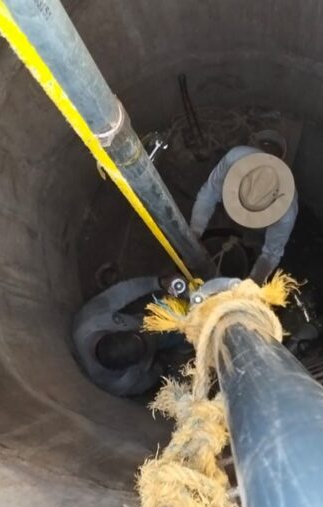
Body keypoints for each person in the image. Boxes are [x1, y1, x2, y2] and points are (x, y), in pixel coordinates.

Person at [189, 134, 298, 284]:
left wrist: (253, 282)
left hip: (263, 230)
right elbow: (210, 192)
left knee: (259, 240)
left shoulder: (286, 214)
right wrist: (195, 232)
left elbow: (271, 253)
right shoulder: (234, 157)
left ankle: (254, 237)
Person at [71, 276, 184, 397]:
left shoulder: (91, 318)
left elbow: (122, 292)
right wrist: (160, 367)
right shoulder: (117, 383)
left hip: (144, 320)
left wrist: (158, 283)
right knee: (180, 333)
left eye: (140, 334)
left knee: (171, 307)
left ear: (115, 331)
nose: (148, 335)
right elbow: (145, 381)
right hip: (157, 353)